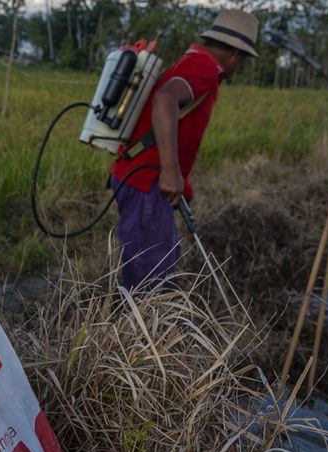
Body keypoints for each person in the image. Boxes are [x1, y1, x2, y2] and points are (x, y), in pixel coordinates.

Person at [110, 9, 259, 291]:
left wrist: (180, 180)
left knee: (152, 270)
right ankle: (145, 335)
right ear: (237, 55)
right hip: (146, 183)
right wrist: (169, 172)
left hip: (142, 178)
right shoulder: (205, 68)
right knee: (153, 284)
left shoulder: (192, 60)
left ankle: (141, 329)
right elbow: (164, 101)